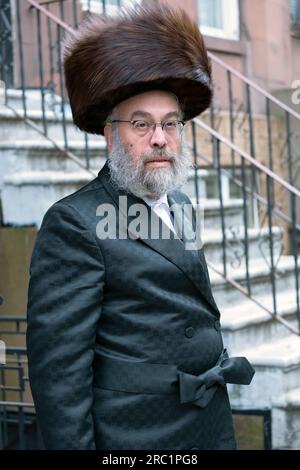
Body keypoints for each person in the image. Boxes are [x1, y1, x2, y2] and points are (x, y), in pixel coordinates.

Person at [26, 3, 254, 450]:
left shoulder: (182, 203)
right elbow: (59, 378)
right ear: (111, 135)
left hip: (205, 421)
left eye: (171, 124)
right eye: (141, 124)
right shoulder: (73, 222)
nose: (159, 137)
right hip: (138, 434)